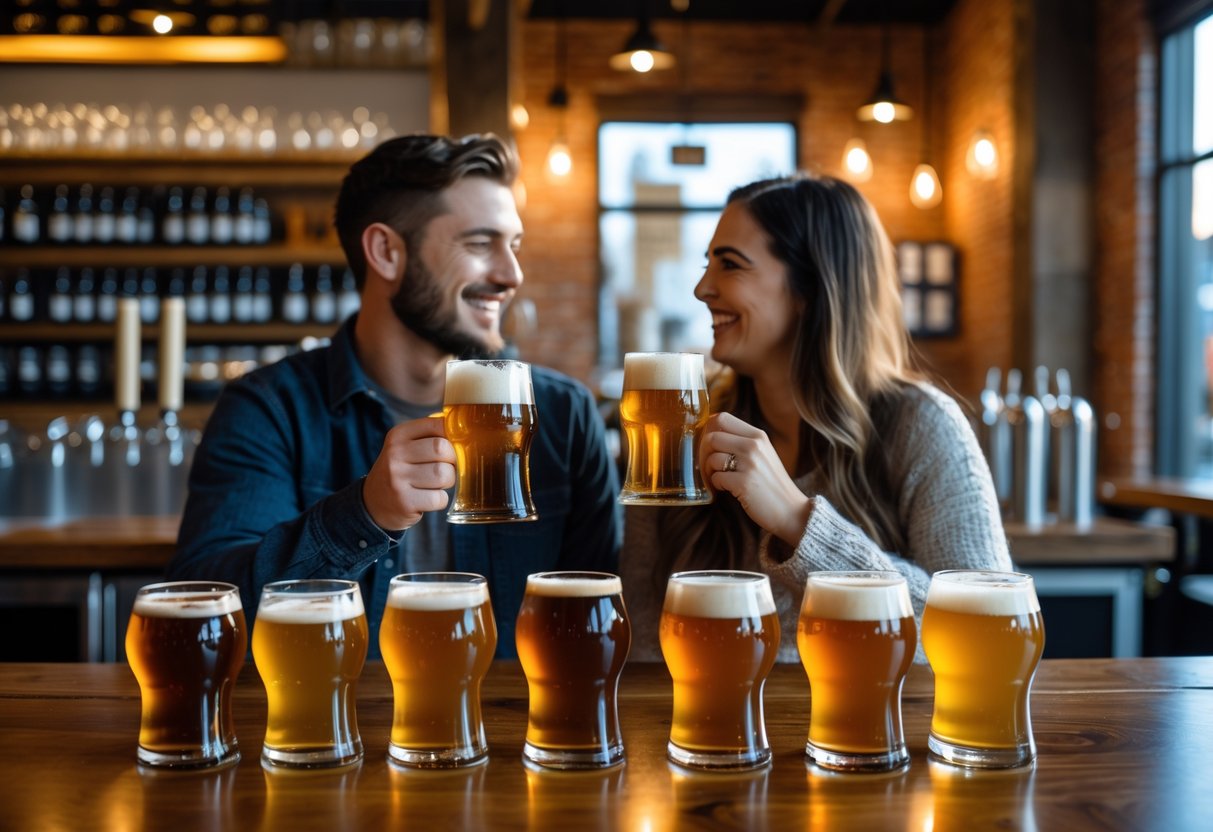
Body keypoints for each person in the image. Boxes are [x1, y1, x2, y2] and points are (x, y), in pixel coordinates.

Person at [168, 134, 621, 657]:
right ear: (386, 251)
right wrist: (363, 514)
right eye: (479, 244)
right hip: (334, 733)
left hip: (513, 735)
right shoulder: (269, 409)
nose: (511, 275)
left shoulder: (562, 415)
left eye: (513, 245)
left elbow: (597, 625)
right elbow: (201, 617)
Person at [621, 173, 1012, 663]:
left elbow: (988, 629)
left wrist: (796, 519)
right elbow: (640, 637)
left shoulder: (921, 424)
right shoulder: (680, 429)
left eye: (730, 265)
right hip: (708, 735)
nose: (702, 288)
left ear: (810, 289)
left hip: (874, 735)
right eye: (707, 265)